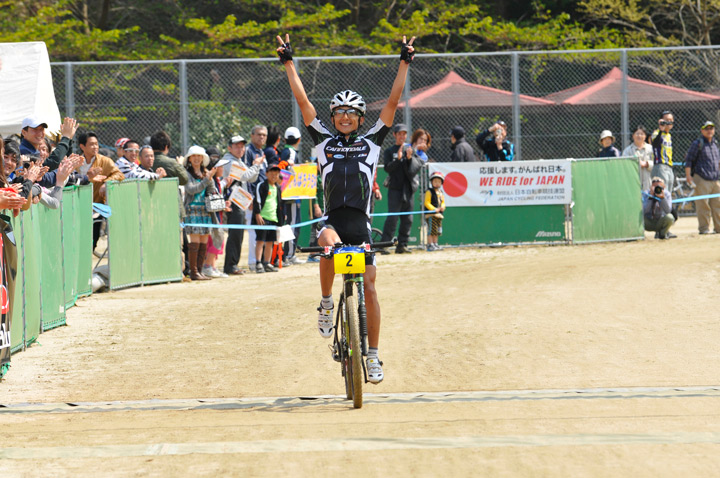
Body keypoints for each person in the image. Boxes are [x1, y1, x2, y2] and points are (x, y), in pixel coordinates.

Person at [277, 32, 415, 383]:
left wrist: (404, 62)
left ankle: (372, 356)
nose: (344, 118)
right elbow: (303, 100)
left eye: (350, 113)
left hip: (362, 224)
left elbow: (394, 102)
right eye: (338, 113)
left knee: (370, 288)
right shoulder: (323, 140)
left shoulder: (372, 143)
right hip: (332, 220)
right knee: (328, 245)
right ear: (333, 116)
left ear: (359, 116)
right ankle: (326, 304)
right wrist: (289, 63)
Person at [221, 135, 263, 275]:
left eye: (242, 146)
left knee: (238, 234)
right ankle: (230, 265)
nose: (240, 149)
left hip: (239, 201)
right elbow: (245, 176)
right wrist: (256, 165)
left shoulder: (238, 161)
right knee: (235, 234)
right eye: (237, 146)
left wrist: (254, 167)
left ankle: (233, 264)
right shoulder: (228, 161)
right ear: (229, 148)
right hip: (231, 202)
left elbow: (252, 177)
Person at [380, 124, 423, 254]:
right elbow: (388, 168)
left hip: (408, 189)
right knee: (392, 218)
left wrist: (409, 158)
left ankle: (402, 245)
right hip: (395, 189)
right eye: (399, 134)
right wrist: (398, 159)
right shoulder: (389, 151)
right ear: (394, 135)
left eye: (404, 134)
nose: (402, 136)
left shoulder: (411, 150)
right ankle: (384, 245)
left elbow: (413, 170)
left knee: (408, 218)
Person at [182, 145, 218, 281]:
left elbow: (211, 189)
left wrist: (210, 182)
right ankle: (193, 272)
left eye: (199, 156)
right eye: (194, 156)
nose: (197, 159)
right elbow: (191, 190)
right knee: (195, 242)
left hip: (205, 211)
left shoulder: (206, 173)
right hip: (192, 210)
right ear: (189, 159)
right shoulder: (187, 174)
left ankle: (200, 270)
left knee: (204, 242)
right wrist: (206, 180)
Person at [684, 121, 720, 234]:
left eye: (711, 128)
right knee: (703, 206)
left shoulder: (715, 144)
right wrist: (688, 176)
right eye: (707, 128)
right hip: (702, 178)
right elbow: (688, 160)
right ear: (702, 130)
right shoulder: (697, 143)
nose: (709, 130)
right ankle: (704, 229)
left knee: (718, 205)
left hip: (715, 179)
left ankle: (718, 228)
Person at [252, 160, 284, 273]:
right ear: (266, 174)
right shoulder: (261, 185)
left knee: (270, 242)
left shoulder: (278, 187)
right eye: (271, 173)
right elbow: (257, 200)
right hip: (263, 218)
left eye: (276, 174)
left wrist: (281, 218)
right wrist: (257, 214)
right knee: (260, 240)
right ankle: (258, 263)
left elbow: (279, 204)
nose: (274, 176)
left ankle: (267, 262)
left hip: (273, 218)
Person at [244, 125, 268, 269]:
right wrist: (250, 198)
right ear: (252, 136)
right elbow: (246, 176)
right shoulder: (248, 151)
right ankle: (254, 262)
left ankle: (261, 261)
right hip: (253, 198)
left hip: (262, 197)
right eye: (259, 134)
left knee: (261, 230)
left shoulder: (261, 151)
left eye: (264, 135)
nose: (261, 137)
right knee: (253, 230)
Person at [203, 157, 231, 278]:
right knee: (215, 243)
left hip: (217, 217)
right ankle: (207, 266)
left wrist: (224, 204)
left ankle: (212, 267)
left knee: (217, 242)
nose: (222, 169)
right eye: (220, 167)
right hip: (213, 218)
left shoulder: (218, 181)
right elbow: (211, 199)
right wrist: (222, 205)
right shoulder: (211, 182)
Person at [281, 126, 305, 265]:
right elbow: (288, 170)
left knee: (291, 223)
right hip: (292, 194)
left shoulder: (285, 151)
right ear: (299, 139)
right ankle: (289, 254)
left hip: (287, 194)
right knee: (293, 224)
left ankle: (288, 253)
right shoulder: (291, 153)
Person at [622, 125, 654, 192]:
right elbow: (624, 166)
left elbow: (656, 163)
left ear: (645, 136)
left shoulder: (651, 149)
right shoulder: (627, 151)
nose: (639, 136)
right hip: (633, 182)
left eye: (642, 134)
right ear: (633, 136)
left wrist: (646, 164)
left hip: (649, 181)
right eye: (637, 134)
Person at [651, 110, 675, 197]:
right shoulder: (656, 133)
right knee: (662, 192)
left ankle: (667, 210)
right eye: (666, 120)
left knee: (668, 193)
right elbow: (655, 144)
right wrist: (661, 130)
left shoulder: (669, 135)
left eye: (671, 120)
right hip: (660, 166)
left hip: (669, 167)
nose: (669, 122)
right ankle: (660, 210)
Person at [424, 171, 446, 251]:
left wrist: (442, 207)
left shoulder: (440, 192)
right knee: (431, 230)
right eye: (435, 181)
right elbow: (426, 203)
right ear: (431, 182)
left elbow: (443, 202)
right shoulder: (429, 192)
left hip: (438, 215)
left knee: (437, 231)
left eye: (439, 182)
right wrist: (434, 209)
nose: (437, 183)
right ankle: (430, 244)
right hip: (430, 215)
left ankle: (435, 244)